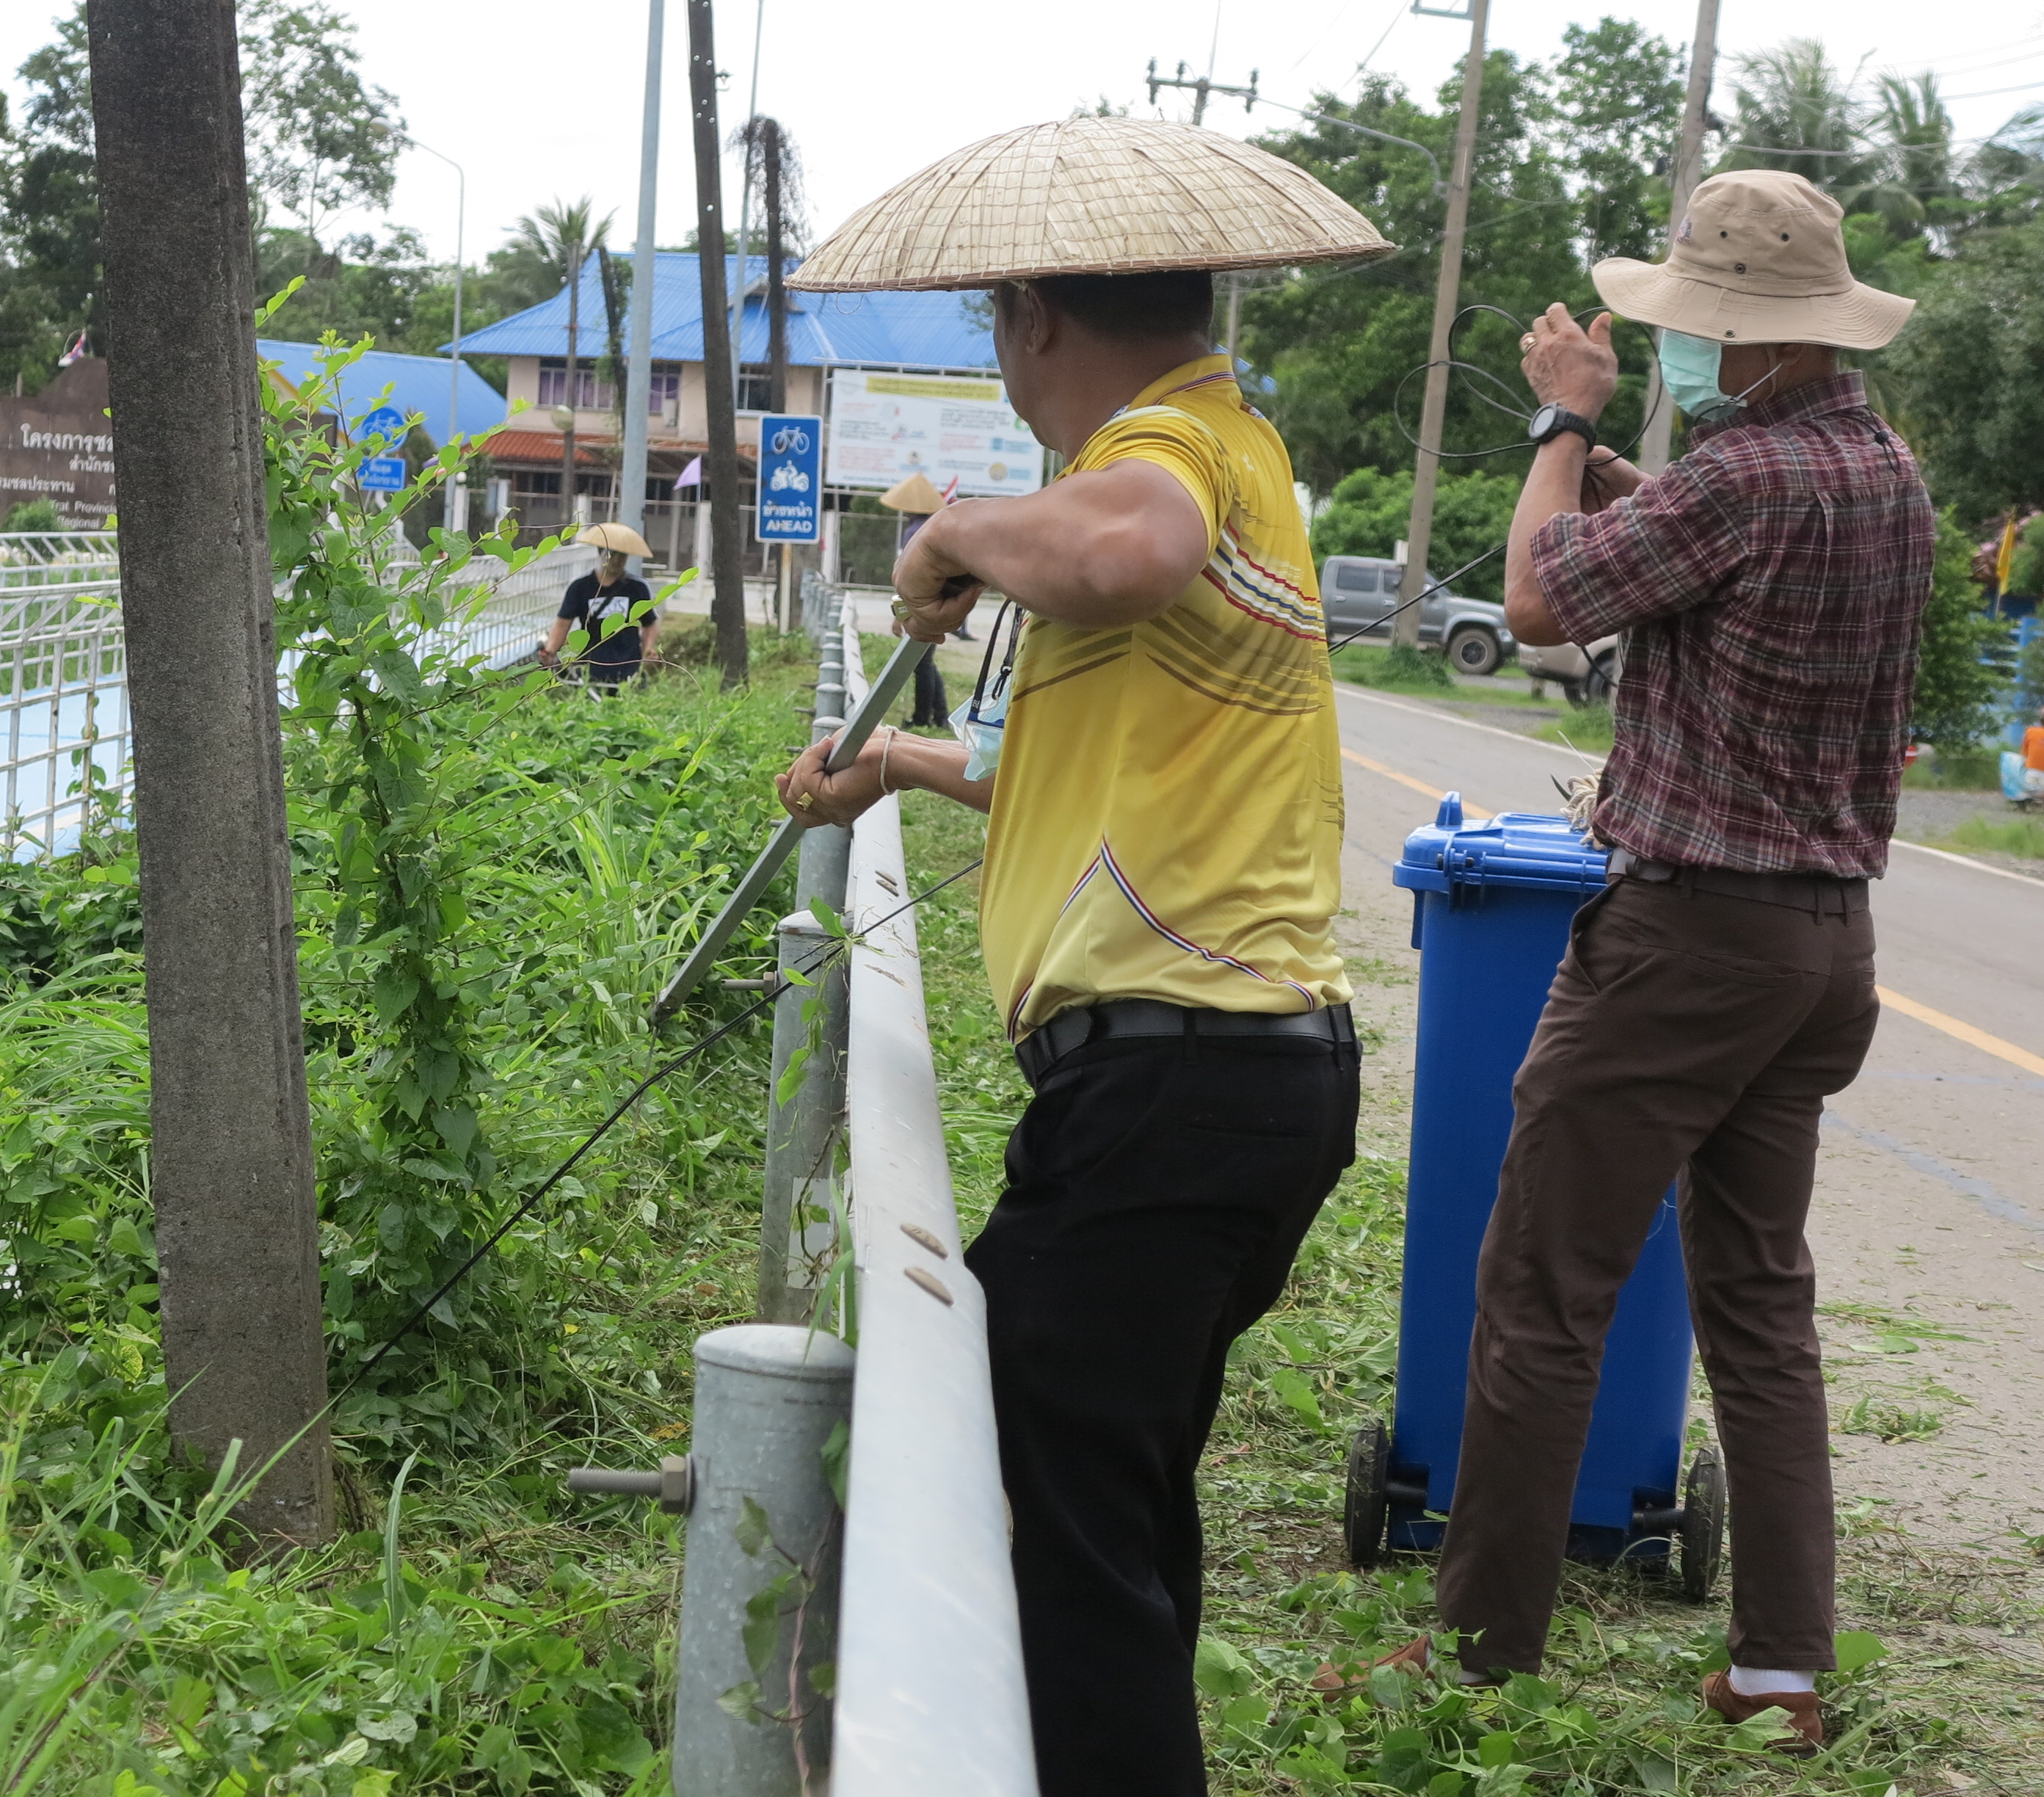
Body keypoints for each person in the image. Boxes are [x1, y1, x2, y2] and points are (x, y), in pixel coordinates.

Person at [769, 116, 1386, 1797]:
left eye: (997, 327)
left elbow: (1122, 548)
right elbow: (1081, 755)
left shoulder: (1170, 448)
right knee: (1101, 1502)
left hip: (1176, 1085)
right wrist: (893, 762)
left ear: (1033, 315)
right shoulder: (1212, 443)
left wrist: (957, 528)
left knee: (1056, 1525)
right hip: (1214, 1086)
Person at [1435, 169, 1932, 1754]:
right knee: (1759, 1307)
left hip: (1686, 935)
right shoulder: (1874, 470)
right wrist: (1607, 460)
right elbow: (1690, 534)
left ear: (1736, 334)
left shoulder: (1744, 482)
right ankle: (1781, 1668)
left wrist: (1555, 427)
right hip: (1818, 946)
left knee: (1540, 1289)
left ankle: (1474, 1662)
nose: (1674, 354)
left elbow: (1530, 603)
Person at [879, 472, 954, 727]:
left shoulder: (913, 532)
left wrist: (899, 615)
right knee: (925, 660)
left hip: (918, 604)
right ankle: (940, 715)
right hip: (936, 600)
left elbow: (908, 577)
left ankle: (924, 717)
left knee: (921, 663)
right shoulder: (932, 528)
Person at [540, 523, 655, 687]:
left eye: (622, 556)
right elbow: (562, 623)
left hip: (628, 667)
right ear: (600, 553)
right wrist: (550, 651)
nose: (616, 560)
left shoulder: (637, 588)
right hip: (588, 668)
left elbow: (650, 624)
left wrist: (648, 650)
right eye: (611, 554)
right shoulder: (580, 587)